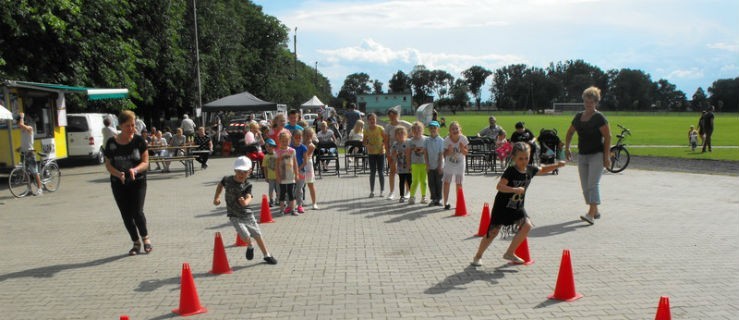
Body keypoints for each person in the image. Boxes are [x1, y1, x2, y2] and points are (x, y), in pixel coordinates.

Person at [471, 142, 566, 266]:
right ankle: (478, 256)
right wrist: (514, 190)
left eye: (526, 158)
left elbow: (542, 169)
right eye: (521, 158)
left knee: (527, 225)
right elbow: (499, 186)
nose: (524, 161)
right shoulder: (511, 171)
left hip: (517, 206)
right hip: (502, 206)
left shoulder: (530, 170)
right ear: (514, 158)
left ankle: (509, 253)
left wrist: (557, 165)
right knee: (493, 232)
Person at [103, 110, 152, 256]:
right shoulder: (112, 143)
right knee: (126, 214)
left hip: (137, 181)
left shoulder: (139, 141)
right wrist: (118, 174)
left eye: (133, 125)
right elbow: (108, 164)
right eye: (128, 126)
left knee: (137, 212)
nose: (132, 128)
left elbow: (145, 162)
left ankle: (146, 239)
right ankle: (135, 242)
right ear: (120, 126)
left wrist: (135, 170)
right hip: (119, 182)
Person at [213, 156, 278, 265]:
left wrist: (245, 202)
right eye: (239, 171)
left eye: (244, 172)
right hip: (234, 214)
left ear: (250, 172)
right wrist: (217, 197)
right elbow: (220, 185)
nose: (241, 174)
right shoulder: (227, 180)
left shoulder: (247, 184)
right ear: (235, 170)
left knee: (257, 234)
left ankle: (266, 255)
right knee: (244, 235)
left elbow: (249, 196)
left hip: (247, 214)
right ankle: (250, 245)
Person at [565, 86, 611, 225]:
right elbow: (570, 132)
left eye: (591, 102)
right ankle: (595, 209)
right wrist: (567, 148)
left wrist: (606, 156)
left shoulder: (599, 118)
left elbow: (608, 137)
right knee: (585, 186)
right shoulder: (579, 117)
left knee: (592, 184)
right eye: (586, 102)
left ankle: (590, 214)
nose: (588, 104)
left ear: (596, 102)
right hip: (583, 155)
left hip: (597, 154)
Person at [383, 106, 412, 200]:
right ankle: (391, 192)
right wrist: (388, 154)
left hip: (404, 151)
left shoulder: (403, 123)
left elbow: (414, 128)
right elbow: (386, 141)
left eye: (394, 115)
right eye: (390, 115)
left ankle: (408, 191)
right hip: (394, 151)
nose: (392, 117)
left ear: (397, 115)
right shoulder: (388, 127)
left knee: (406, 171)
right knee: (392, 171)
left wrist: (408, 138)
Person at [442, 121, 469, 210]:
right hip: (449, 163)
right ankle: (445, 202)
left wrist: (462, 149)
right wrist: (449, 151)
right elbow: (444, 154)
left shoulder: (463, 139)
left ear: (460, 129)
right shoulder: (447, 140)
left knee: (459, 183)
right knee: (446, 183)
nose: (455, 130)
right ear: (450, 131)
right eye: (453, 129)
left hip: (460, 164)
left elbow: (466, 152)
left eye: (456, 128)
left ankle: (459, 202)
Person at [17, 112, 43, 196]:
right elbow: (25, 142)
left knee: (34, 171)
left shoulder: (29, 128)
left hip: (30, 153)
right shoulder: (22, 131)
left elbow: (21, 124)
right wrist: (20, 148)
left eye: (18, 123)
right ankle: (29, 190)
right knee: (25, 172)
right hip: (24, 153)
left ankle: (40, 189)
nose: (18, 125)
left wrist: (21, 117)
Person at [363, 113, 386, 198]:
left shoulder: (380, 128)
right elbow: (364, 141)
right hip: (371, 153)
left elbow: (385, 139)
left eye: (374, 119)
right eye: (370, 119)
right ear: (368, 121)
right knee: (372, 172)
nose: (372, 121)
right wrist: (368, 146)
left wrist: (382, 148)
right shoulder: (366, 130)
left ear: (376, 120)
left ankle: (382, 190)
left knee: (381, 172)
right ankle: (372, 191)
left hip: (380, 153)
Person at [275, 131, 299, 215]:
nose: (285, 143)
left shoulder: (292, 151)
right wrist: (277, 176)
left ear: (289, 141)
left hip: (291, 176)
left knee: (291, 194)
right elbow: (277, 165)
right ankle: (282, 210)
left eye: (286, 141)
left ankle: (293, 209)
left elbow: (295, 163)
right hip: (282, 177)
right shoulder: (277, 152)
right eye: (283, 141)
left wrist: (297, 174)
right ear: (279, 141)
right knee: (282, 194)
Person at [407, 121, 428, 204]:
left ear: (422, 130)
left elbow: (428, 152)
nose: (416, 131)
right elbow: (408, 154)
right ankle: (412, 196)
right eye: (414, 129)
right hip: (414, 164)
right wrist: (409, 165)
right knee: (415, 181)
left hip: (424, 163)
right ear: (412, 131)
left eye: (419, 129)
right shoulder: (410, 141)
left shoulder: (426, 139)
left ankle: (424, 196)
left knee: (424, 181)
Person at [424, 121, 444, 207]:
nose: (432, 130)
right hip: (430, 165)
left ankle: (439, 199)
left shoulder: (441, 140)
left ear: (438, 129)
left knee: (439, 183)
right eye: (431, 128)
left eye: (434, 128)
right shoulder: (427, 140)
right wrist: (427, 164)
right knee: (431, 183)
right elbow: (425, 153)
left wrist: (439, 166)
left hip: (439, 165)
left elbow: (441, 154)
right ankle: (433, 198)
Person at [390, 127, 411, 203]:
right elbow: (393, 155)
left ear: (405, 134)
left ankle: (411, 194)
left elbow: (413, 152)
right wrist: (394, 156)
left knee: (409, 181)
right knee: (401, 181)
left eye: (402, 133)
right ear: (396, 136)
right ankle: (401, 196)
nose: (400, 135)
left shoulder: (409, 142)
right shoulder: (395, 144)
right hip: (400, 167)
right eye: (398, 134)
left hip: (409, 166)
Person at [291, 130, 308, 214]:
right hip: (291, 171)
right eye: (296, 137)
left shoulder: (303, 147)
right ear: (293, 138)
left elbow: (305, 161)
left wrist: (298, 168)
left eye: (299, 137)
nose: (298, 139)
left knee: (299, 189)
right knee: (290, 189)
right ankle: (290, 206)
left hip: (301, 171)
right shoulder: (290, 147)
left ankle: (300, 205)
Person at [303, 128, 319, 209]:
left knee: (311, 184)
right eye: (307, 135)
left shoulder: (311, 146)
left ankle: (314, 203)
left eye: (310, 135)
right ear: (304, 135)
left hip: (308, 165)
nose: (308, 137)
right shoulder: (300, 144)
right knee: (300, 185)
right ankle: (299, 202)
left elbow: (306, 156)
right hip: (300, 165)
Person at [262, 139, 279, 207]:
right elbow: (265, 168)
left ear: (274, 147)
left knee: (278, 189)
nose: (268, 148)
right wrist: (266, 177)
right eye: (267, 147)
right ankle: (271, 200)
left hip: (278, 176)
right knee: (271, 190)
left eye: (270, 146)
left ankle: (278, 199)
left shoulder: (277, 155)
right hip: (270, 177)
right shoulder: (265, 157)